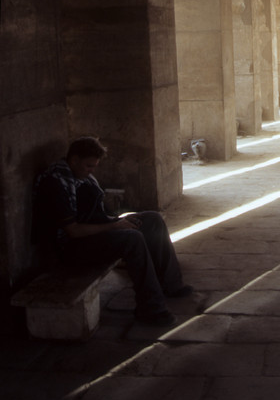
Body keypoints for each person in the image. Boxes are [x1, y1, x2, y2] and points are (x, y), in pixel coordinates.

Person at [33, 136, 192, 327]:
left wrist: (117, 220)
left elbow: (95, 214)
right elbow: (73, 231)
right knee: (132, 239)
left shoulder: (78, 176)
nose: (92, 171)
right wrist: (114, 226)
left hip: (93, 233)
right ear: (74, 160)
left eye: (94, 166)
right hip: (71, 247)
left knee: (152, 220)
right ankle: (151, 309)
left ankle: (171, 285)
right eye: (88, 166)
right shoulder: (55, 184)